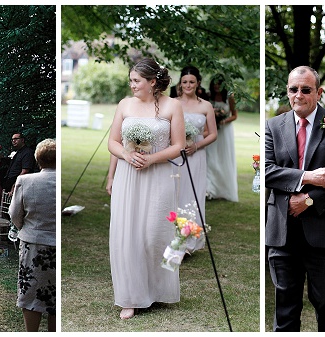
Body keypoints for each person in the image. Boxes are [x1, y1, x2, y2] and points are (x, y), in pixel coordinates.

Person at [265, 66, 325, 331]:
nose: (299, 95)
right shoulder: (273, 126)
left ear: (318, 92)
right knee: (285, 309)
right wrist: (309, 177)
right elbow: (269, 172)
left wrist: (306, 200)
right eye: (293, 89)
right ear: (287, 91)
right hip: (282, 232)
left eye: (306, 90)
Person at [107, 58, 185, 320]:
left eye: (136, 81)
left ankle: (158, 291)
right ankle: (131, 297)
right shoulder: (124, 105)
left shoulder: (173, 106)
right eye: (130, 81)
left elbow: (179, 146)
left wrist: (151, 158)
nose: (132, 85)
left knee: (155, 234)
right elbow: (113, 142)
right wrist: (127, 157)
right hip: (129, 176)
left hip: (160, 175)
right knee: (127, 235)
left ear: (153, 82)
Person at [10, 138, 56, 331]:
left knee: (30, 292)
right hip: (55, 245)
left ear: (38, 160)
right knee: (54, 294)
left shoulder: (25, 181)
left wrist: (24, 228)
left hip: (33, 245)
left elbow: (14, 214)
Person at [174, 66, 217, 255]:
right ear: (180, 84)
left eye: (192, 82)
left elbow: (213, 134)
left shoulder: (205, 106)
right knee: (175, 193)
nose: (188, 85)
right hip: (176, 155)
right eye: (185, 82)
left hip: (196, 155)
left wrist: (196, 146)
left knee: (193, 194)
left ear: (198, 83)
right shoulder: (173, 103)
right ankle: (173, 238)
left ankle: (190, 241)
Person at [205, 74, 239, 202]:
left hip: (224, 131)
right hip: (211, 130)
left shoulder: (229, 97)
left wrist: (223, 120)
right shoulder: (208, 96)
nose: (217, 87)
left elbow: (235, 115)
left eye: (219, 84)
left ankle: (223, 190)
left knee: (223, 158)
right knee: (211, 157)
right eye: (215, 84)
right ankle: (210, 189)